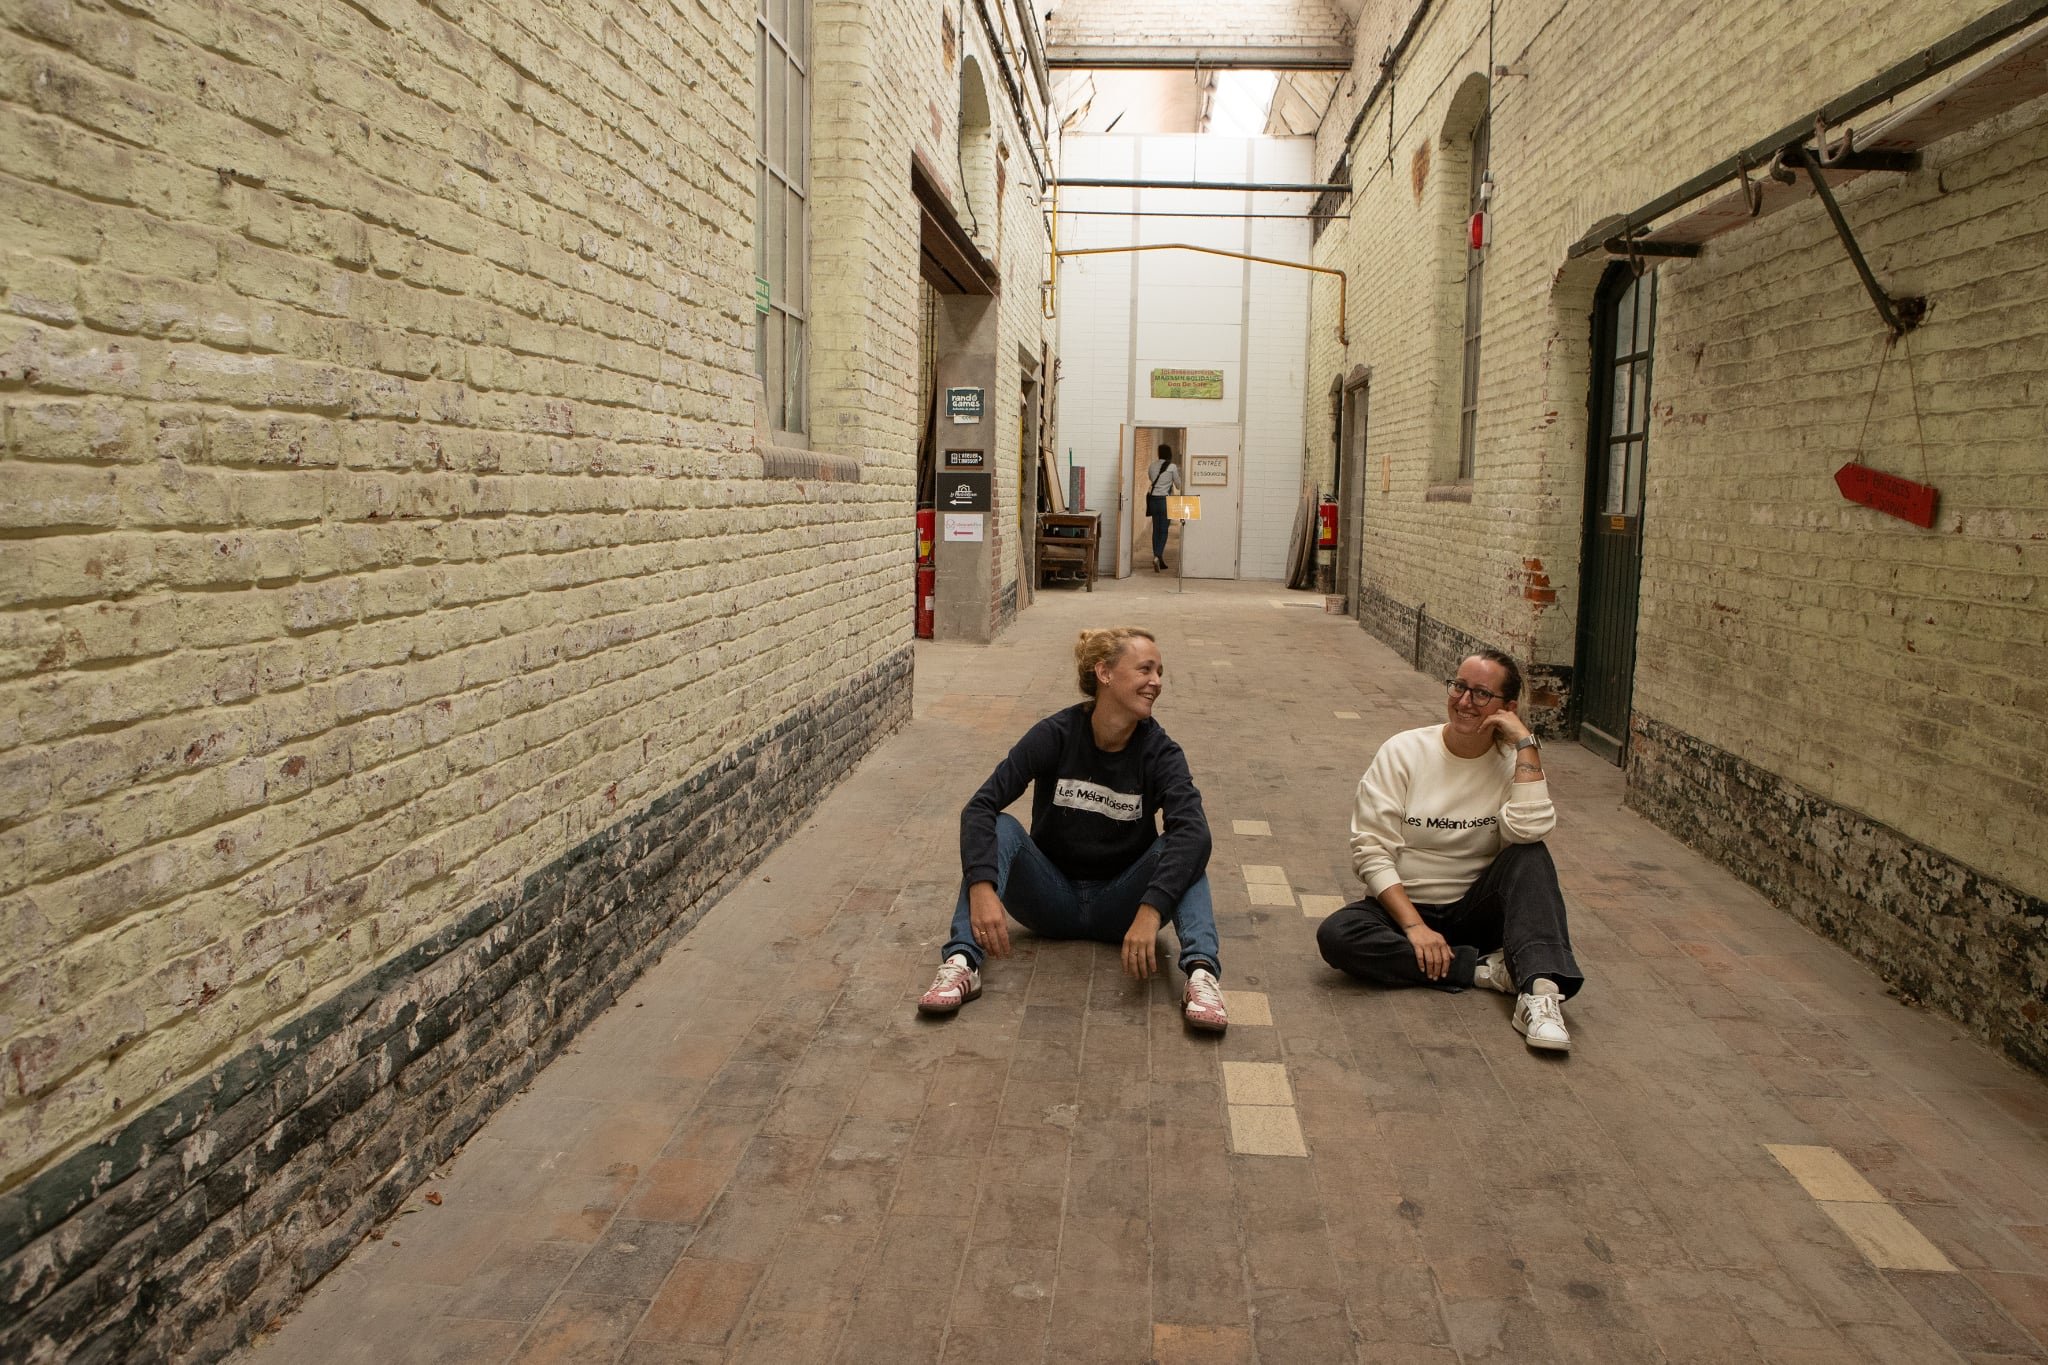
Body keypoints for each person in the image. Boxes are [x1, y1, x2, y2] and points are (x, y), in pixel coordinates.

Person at [918, 626, 1228, 1031]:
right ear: (1105, 673)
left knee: (1186, 848)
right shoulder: (1056, 734)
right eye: (1145, 669)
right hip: (1050, 898)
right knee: (1001, 826)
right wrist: (981, 886)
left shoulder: (1160, 751)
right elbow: (980, 806)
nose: (1157, 682)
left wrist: (1151, 910)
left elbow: (1193, 833)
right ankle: (962, 961)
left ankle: (1202, 974)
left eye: (1159, 672)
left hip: (1124, 906)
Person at [1315, 650, 1584, 1051]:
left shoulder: (1512, 763)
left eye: (1481, 694)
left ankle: (1540, 993)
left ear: (1508, 709)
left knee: (1531, 856)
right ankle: (1484, 971)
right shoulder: (1404, 751)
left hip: (1475, 909)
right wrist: (1414, 928)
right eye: (1459, 686)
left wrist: (1526, 745)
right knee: (1338, 936)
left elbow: (1528, 830)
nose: (1464, 701)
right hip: (1404, 908)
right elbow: (1371, 850)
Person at [1144, 446, 1182, 572]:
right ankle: (1157, 555)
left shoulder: (1152, 466)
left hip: (1153, 501)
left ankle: (1159, 559)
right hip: (1165, 501)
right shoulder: (1172, 467)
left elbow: (1151, 479)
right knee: (1164, 530)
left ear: (1159, 453)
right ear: (1169, 454)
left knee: (1156, 530)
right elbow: (1178, 485)